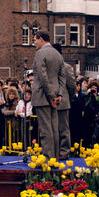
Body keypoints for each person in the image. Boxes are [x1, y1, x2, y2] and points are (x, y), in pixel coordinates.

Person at [31, 31, 65, 160]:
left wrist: (51, 96)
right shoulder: (58, 54)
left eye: (35, 40)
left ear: (40, 39)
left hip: (43, 96)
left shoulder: (40, 53)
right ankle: (54, 156)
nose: (34, 43)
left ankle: (47, 158)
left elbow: (42, 76)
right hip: (56, 96)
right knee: (54, 128)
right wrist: (59, 94)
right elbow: (62, 77)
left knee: (45, 129)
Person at [52, 43, 76, 160]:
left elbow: (72, 85)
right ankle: (54, 151)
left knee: (63, 128)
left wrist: (69, 98)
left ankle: (64, 151)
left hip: (62, 102)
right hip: (50, 102)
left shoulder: (66, 67)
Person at [82, 80, 99, 147]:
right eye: (92, 88)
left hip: (95, 119)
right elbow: (85, 105)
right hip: (87, 118)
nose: (94, 90)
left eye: (95, 88)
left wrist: (95, 97)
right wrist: (87, 94)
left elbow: (98, 106)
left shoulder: (98, 97)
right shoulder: (87, 97)